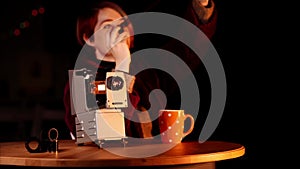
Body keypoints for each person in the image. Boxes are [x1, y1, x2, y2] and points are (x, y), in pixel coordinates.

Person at [63, 0, 217, 141]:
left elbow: (186, 51)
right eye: (108, 26)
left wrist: (201, 4)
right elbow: (110, 136)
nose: (119, 31)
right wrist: (122, 66)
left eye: (122, 25)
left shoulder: (145, 69)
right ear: (89, 38)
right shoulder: (81, 80)